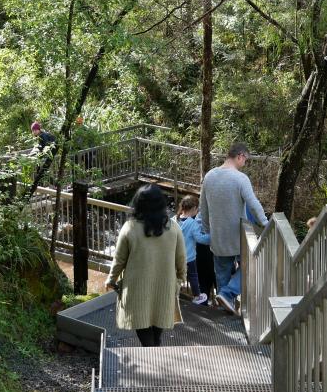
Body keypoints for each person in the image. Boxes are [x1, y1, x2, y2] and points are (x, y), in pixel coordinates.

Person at [106, 183, 186, 347]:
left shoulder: (130, 227)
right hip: (164, 286)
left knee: (143, 328)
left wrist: (111, 279)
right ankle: (155, 350)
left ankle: (151, 352)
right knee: (158, 328)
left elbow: (119, 260)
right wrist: (180, 280)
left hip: (137, 288)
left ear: (138, 203)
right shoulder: (173, 227)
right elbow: (181, 258)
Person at [200, 142, 267, 315]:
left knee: (222, 274)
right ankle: (228, 294)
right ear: (240, 156)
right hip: (239, 237)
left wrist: (207, 230)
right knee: (253, 265)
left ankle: (226, 313)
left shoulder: (209, 176)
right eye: (246, 159)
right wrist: (266, 224)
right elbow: (253, 204)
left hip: (218, 237)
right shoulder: (240, 178)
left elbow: (203, 208)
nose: (245, 163)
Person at [176, 195, 211, 305]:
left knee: (177, 275)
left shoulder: (174, 220)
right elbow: (200, 239)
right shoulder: (193, 223)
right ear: (194, 209)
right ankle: (197, 296)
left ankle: (174, 293)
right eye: (198, 209)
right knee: (193, 276)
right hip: (189, 257)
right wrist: (212, 236)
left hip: (176, 255)